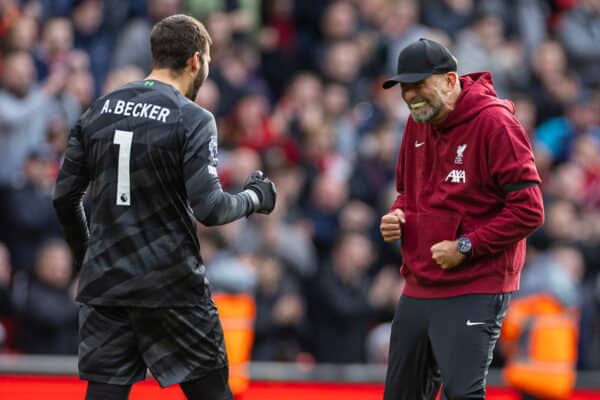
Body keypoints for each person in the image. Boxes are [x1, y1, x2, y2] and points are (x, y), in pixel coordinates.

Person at [52, 14, 276, 400]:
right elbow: (211, 209)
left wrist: (87, 257)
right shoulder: (192, 118)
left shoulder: (99, 109)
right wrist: (255, 197)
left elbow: (64, 197)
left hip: (107, 286)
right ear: (195, 60)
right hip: (171, 287)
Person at [379, 38, 544, 399]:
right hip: (421, 281)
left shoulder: (496, 123)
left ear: (450, 80)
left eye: (419, 84)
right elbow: (408, 192)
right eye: (405, 87)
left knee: (462, 394)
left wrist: (466, 247)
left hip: (476, 282)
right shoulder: (416, 123)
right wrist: (397, 215)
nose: (410, 96)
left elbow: (529, 210)